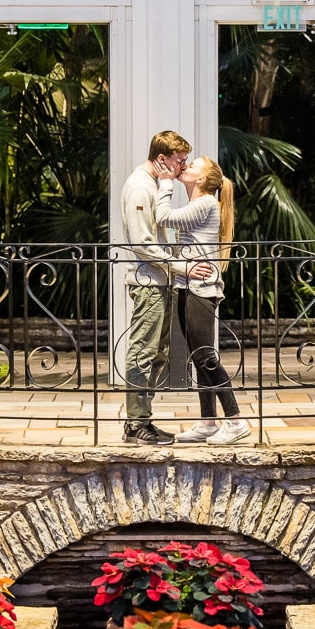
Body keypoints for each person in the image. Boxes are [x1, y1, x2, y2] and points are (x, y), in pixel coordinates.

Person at [158, 157, 250, 446]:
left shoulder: (206, 202)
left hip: (201, 289)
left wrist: (164, 184)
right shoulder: (195, 205)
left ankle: (235, 420)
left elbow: (164, 218)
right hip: (187, 285)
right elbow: (174, 234)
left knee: (207, 358)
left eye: (193, 165)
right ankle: (208, 421)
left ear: (201, 180)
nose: (186, 166)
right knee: (198, 358)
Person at [118, 131, 191, 445]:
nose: (183, 166)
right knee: (143, 352)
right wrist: (180, 267)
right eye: (179, 160)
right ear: (162, 159)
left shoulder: (155, 186)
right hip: (148, 282)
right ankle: (135, 424)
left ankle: (143, 419)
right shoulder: (138, 186)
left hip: (160, 281)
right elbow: (143, 245)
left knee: (157, 353)